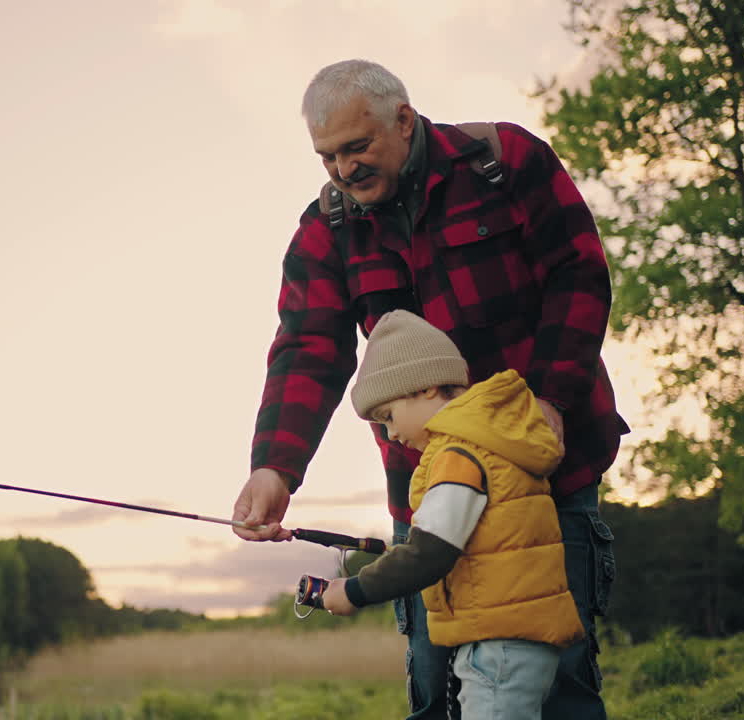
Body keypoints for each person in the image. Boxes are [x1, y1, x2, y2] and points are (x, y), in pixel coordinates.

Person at [231, 59, 629, 720]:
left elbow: (578, 275)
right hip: (425, 488)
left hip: (544, 478)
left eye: (358, 147)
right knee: (434, 686)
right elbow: (308, 348)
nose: (344, 169)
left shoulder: (505, 163)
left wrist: (551, 402)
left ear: (404, 119)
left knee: (557, 687)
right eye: (328, 156)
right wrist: (275, 467)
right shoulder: (325, 230)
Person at [321, 309, 584, 719]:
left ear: (426, 388)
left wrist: (354, 591)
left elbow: (430, 552)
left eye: (388, 416)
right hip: (515, 639)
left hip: (497, 645)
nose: (391, 434)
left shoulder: (458, 455)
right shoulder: (494, 441)